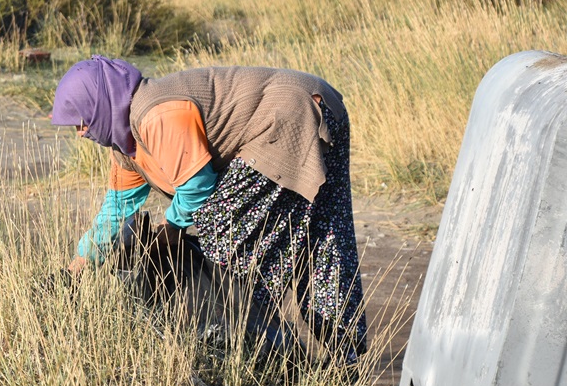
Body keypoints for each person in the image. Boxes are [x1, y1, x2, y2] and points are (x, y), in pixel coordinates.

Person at [50, 56, 367, 364]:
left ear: (101, 103)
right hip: (316, 103)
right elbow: (116, 211)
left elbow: (197, 188)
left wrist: (171, 230)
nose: (81, 132)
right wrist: (75, 270)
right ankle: (343, 359)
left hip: (292, 112)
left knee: (222, 234)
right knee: (323, 236)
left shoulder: (155, 114)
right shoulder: (126, 147)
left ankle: (264, 350)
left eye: (82, 120)